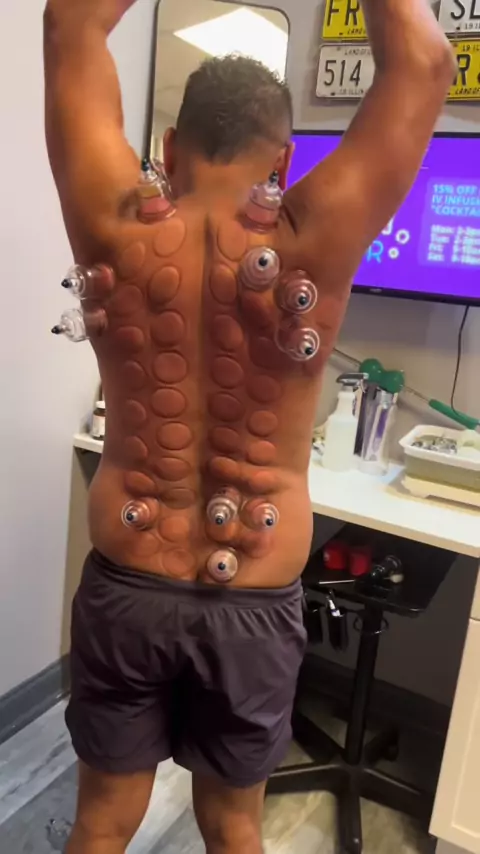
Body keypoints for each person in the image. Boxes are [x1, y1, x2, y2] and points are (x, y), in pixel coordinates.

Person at [43, 1, 455, 852]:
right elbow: (423, 62)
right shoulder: (312, 238)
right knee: (234, 828)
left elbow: (70, 23)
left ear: (167, 151)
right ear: (286, 159)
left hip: (129, 578)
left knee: (103, 823)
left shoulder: (114, 225)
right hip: (254, 592)